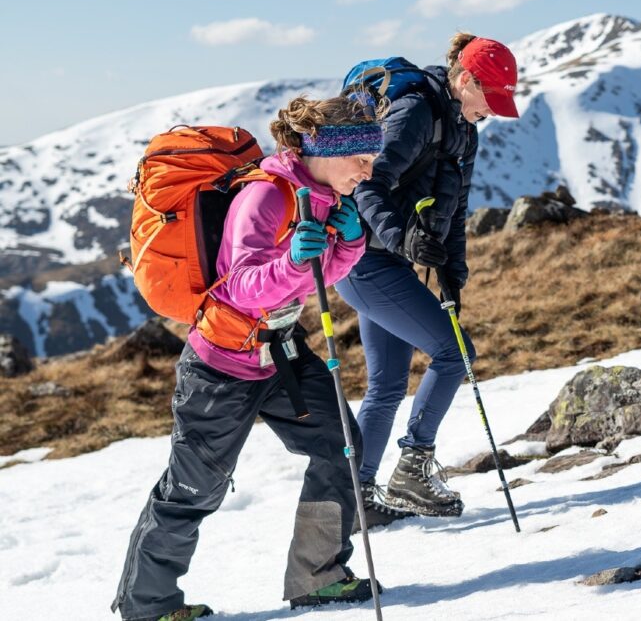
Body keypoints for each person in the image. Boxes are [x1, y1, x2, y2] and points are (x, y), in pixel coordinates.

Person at [112, 89, 385, 621]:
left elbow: (317, 277)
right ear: (328, 149)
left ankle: (318, 576)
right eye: (362, 159)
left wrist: (347, 245)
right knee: (193, 488)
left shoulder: (322, 193)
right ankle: (147, 608)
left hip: (281, 353)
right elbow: (241, 288)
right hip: (221, 366)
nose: (367, 172)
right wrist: (292, 261)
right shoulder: (265, 196)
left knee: (340, 448)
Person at [334, 34, 520, 523]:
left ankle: (359, 498)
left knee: (389, 384)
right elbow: (366, 185)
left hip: (390, 260)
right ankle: (413, 469)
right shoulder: (414, 111)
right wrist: (402, 240)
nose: (494, 111)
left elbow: (454, 211)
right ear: (466, 80)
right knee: (455, 353)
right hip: (363, 260)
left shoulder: (465, 132)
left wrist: (452, 274)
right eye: (492, 99)